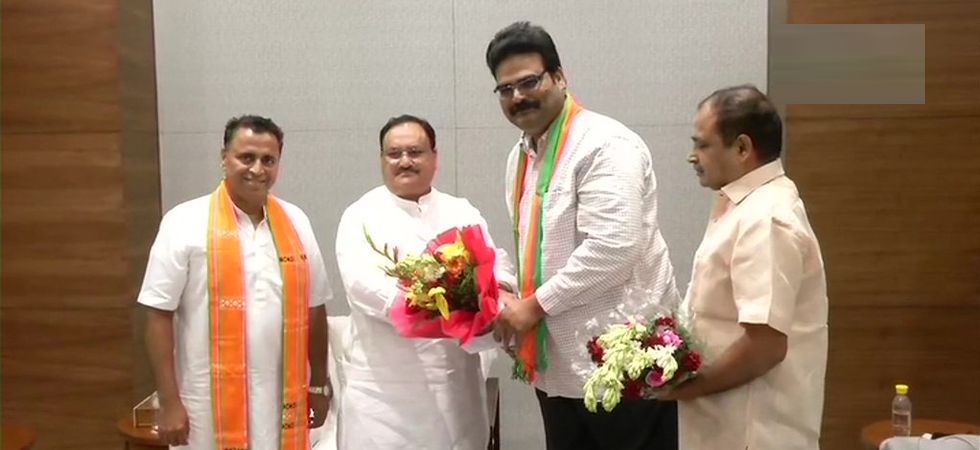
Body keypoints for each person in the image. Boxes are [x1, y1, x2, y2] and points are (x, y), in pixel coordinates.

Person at [486, 21, 680, 450]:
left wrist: (531, 307)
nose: (518, 97)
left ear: (559, 76)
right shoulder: (521, 155)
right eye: (505, 89)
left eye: (529, 82)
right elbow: (535, 250)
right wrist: (506, 292)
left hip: (622, 364)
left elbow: (613, 248)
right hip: (559, 366)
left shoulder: (604, 144)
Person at [139, 115, 332, 449]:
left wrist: (317, 386)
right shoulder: (184, 221)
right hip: (206, 402)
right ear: (224, 158)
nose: (257, 169)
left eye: (268, 160)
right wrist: (169, 402)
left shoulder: (296, 221)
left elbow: (315, 308)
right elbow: (158, 313)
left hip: (281, 398)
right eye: (246, 157)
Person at [657, 85, 829, 450]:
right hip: (727, 426)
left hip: (754, 432)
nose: (691, 156)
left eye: (702, 145)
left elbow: (765, 345)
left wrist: (686, 387)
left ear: (742, 148)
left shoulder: (765, 217)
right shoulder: (744, 205)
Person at [334, 114, 516, 450]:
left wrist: (501, 293)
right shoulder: (360, 215)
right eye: (394, 154)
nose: (405, 161)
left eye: (415, 152)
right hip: (384, 396)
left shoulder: (461, 211)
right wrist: (438, 309)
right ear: (382, 159)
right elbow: (363, 289)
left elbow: (496, 263)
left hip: (454, 388)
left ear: (435, 157)